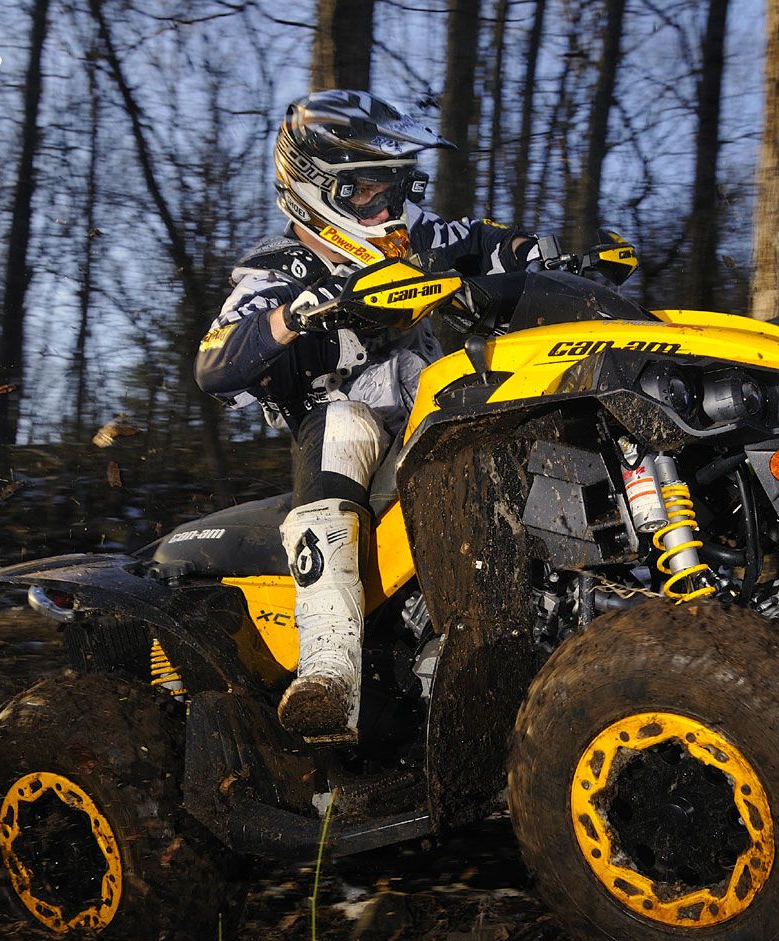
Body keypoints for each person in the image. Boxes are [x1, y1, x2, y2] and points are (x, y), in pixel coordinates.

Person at [196, 90, 540, 744]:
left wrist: (538, 254)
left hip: (434, 407)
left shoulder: (416, 234)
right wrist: (293, 316)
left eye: (398, 185)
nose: (387, 206)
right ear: (315, 188)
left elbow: (484, 242)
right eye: (367, 192)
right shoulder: (282, 268)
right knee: (346, 421)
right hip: (342, 433)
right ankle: (328, 670)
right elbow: (214, 362)